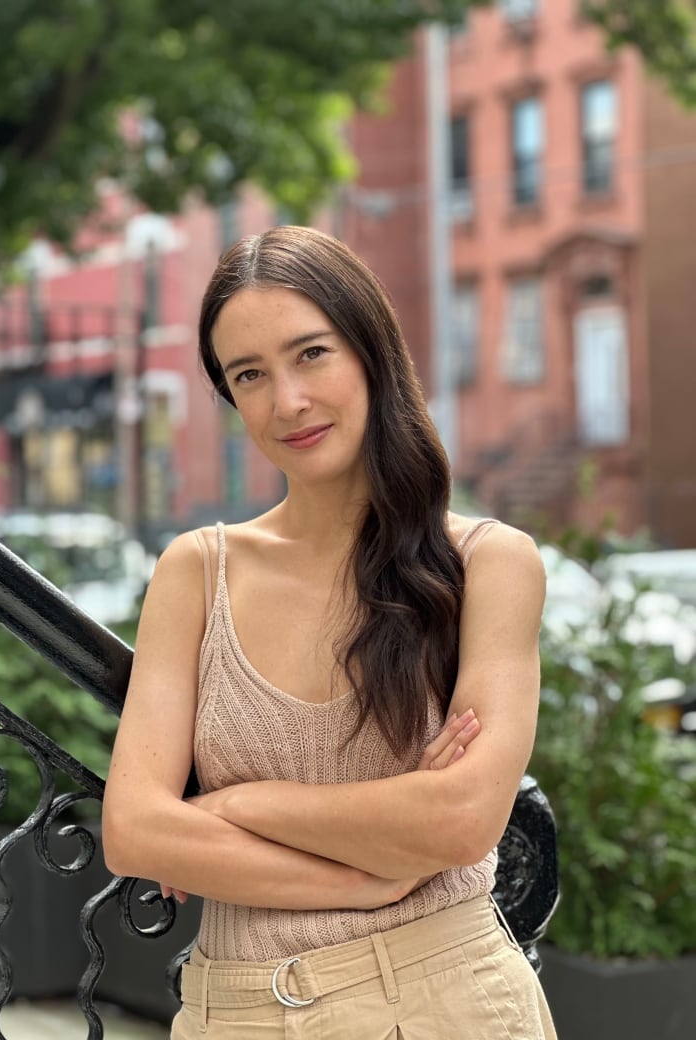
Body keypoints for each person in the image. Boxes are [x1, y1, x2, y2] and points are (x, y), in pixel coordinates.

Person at [102, 225, 558, 1039]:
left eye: (311, 353)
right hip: (234, 1012)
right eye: (250, 375)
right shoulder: (195, 572)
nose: (288, 402)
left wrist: (236, 805)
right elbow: (135, 830)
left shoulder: (488, 565)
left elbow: (459, 821)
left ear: (371, 351)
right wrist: (363, 879)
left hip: (444, 997)